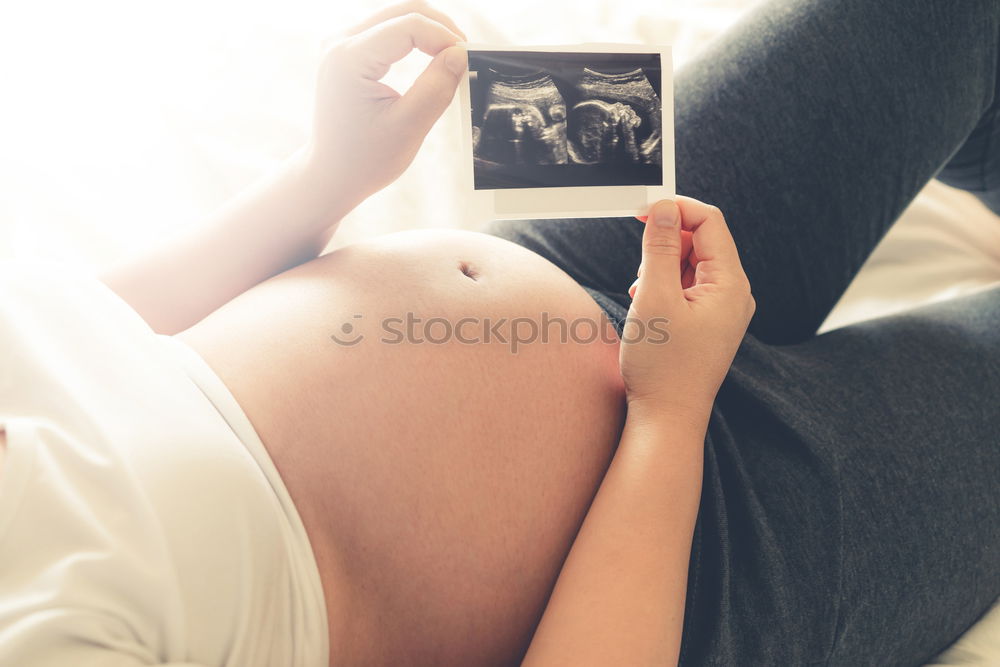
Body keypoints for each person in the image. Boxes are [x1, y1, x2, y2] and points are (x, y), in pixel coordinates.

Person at [0, 1, 997, 666]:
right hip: (699, 548)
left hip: (574, 246)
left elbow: (95, 337)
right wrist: (668, 414)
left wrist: (324, 178)